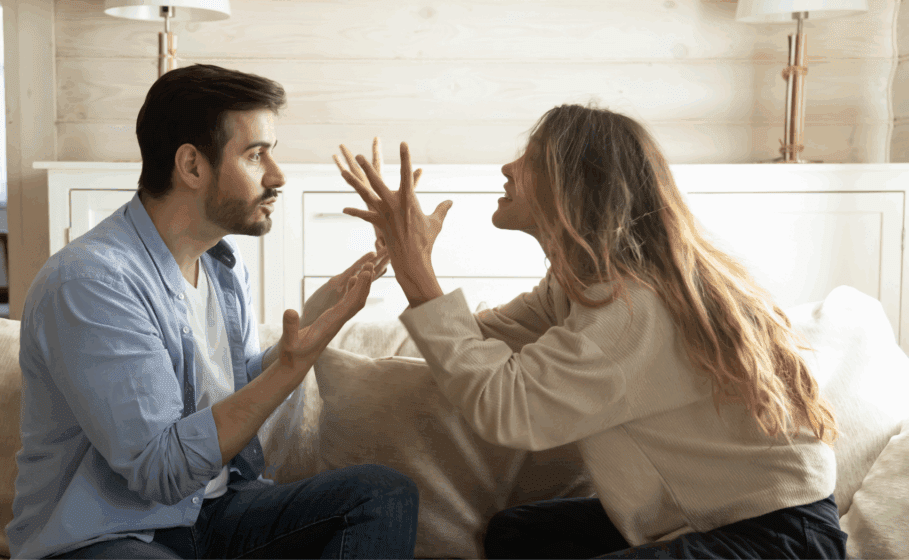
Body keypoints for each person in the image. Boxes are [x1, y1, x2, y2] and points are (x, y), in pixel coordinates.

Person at [333, 104, 846, 559]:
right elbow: (474, 344)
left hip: (777, 538)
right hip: (710, 518)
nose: (508, 168)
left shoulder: (634, 308)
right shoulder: (583, 287)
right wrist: (410, 261)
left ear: (576, 185)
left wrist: (417, 271)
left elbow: (508, 408)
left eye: (531, 159)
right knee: (516, 535)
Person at [6, 64, 419, 560]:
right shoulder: (91, 282)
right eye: (256, 155)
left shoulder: (222, 263)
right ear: (192, 166)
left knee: (382, 495)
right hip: (115, 534)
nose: (278, 176)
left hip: (212, 512)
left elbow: (238, 397)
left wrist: (310, 329)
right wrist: (292, 366)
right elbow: (162, 472)